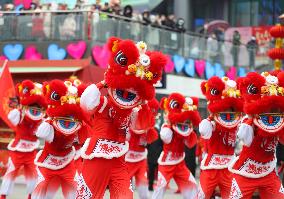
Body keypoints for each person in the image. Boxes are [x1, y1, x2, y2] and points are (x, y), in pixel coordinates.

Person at [76, 38, 167, 199]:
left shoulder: (132, 112)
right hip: (97, 158)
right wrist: (105, 83)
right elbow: (85, 103)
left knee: (125, 195)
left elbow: (141, 127)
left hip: (119, 161)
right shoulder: (102, 103)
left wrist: (144, 100)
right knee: (88, 196)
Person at [229, 71, 284, 199]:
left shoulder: (280, 122)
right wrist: (251, 120)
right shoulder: (247, 122)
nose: (272, 111)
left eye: (275, 108)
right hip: (246, 172)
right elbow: (245, 139)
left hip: (268, 172)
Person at [32, 79, 89, 199]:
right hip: (47, 162)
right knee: (41, 188)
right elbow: (41, 134)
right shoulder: (49, 124)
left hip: (67, 162)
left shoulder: (80, 125)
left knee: (77, 188)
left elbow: (82, 141)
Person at [0, 80, 47, 199]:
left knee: (33, 174)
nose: (35, 108)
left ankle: (31, 195)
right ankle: (3, 195)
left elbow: (41, 133)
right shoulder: (19, 114)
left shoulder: (41, 118)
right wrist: (21, 108)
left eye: (38, 106)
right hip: (18, 150)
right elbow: (12, 118)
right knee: (11, 172)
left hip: (31, 151)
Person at [198, 76, 243, 199]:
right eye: (225, 107)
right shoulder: (212, 122)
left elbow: (244, 135)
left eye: (231, 108)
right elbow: (203, 131)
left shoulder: (237, 122)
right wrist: (211, 116)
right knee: (202, 196)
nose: (228, 111)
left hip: (229, 165)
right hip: (212, 166)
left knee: (232, 196)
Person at [152, 93, 200, 199]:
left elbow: (190, 143)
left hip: (180, 162)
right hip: (167, 163)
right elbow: (166, 138)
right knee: (160, 187)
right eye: (165, 113)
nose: (166, 114)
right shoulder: (166, 126)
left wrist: (188, 127)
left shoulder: (183, 127)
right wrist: (171, 124)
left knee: (192, 185)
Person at [125, 99, 159, 199]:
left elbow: (149, 140)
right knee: (125, 188)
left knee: (143, 191)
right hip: (128, 158)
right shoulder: (133, 117)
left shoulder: (149, 125)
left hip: (141, 158)